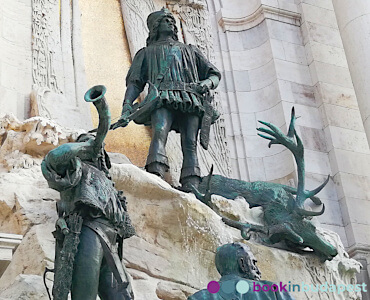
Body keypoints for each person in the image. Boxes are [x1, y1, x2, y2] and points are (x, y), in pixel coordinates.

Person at [112, 8, 221, 192]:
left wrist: (207, 84)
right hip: (162, 97)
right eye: (166, 20)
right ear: (156, 27)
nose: (171, 23)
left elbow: (214, 74)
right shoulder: (146, 53)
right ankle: (155, 172)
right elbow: (135, 83)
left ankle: (191, 181)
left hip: (190, 98)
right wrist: (127, 106)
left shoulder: (190, 50)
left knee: (190, 141)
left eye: (172, 20)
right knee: (160, 132)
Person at [41, 86, 134, 300]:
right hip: (87, 231)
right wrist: (85, 147)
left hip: (111, 240)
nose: (97, 149)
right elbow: (53, 158)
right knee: (85, 295)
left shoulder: (105, 178)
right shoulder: (74, 168)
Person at [188, 243, 294, 300]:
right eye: (253, 263)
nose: (258, 271)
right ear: (242, 264)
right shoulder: (273, 291)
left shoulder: (199, 297)